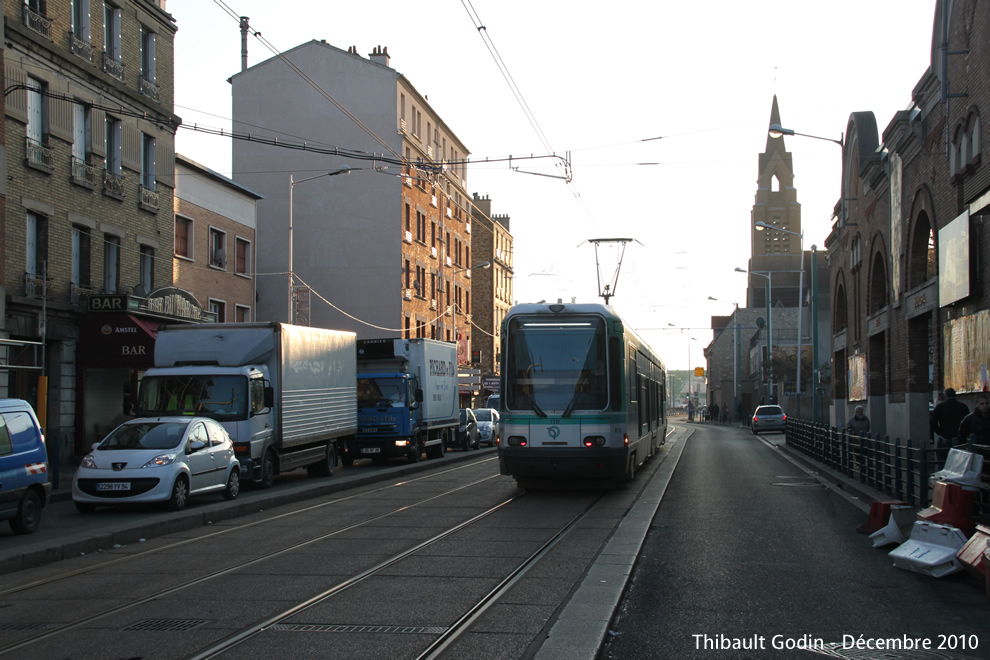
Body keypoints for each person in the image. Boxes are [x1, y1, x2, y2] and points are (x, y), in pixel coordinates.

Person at [930, 388, 969, 461]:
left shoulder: (940, 407)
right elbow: (967, 423)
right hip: (958, 438)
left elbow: (932, 422)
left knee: (942, 461)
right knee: (958, 462)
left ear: (945, 395)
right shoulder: (963, 407)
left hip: (944, 437)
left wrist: (939, 432)